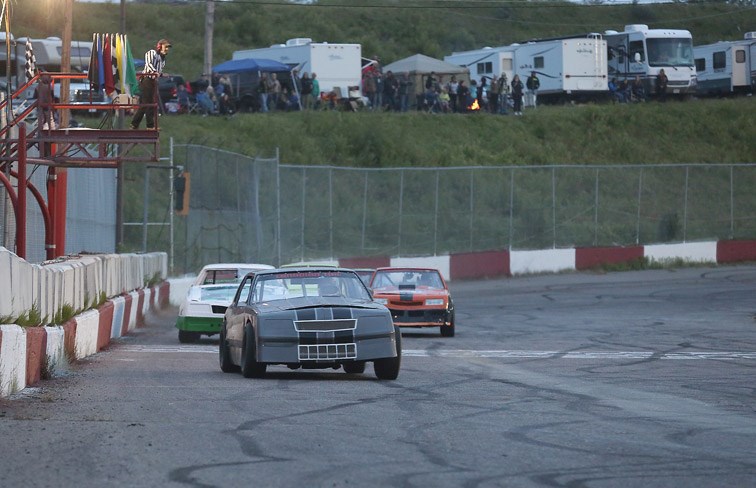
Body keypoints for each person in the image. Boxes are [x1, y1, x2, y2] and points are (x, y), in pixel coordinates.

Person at [131, 38, 171, 129]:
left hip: (153, 81)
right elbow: (149, 65)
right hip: (146, 80)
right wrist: (155, 73)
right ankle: (140, 124)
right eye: (166, 47)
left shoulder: (162, 60)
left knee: (149, 103)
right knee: (147, 102)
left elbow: (158, 71)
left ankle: (141, 125)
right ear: (160, 46)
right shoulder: (151, 53)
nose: (167, 49)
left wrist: (161, 74)